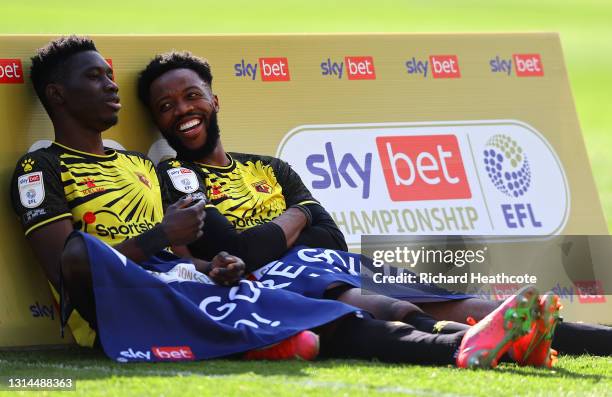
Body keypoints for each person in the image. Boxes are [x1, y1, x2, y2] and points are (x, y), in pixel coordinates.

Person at [10, 36, 553, 368]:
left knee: (333, 315)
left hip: (185, 286)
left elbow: (182, 257)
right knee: (86, 251)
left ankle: (474, 344)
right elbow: (70, 269)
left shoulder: (137, 165)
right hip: (125, 307)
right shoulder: (39, 168)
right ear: (58, 95)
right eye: (94, 78)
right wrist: (164, 238)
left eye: (111, 75)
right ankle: (471, 342)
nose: (110, 86)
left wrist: (211, 264)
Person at [140, 51, 610, 358]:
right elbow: (239, 247)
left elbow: (330, 233)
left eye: (191, 95)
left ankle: (576, 339)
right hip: (274, 279)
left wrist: (296, 225)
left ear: (214, 100)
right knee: (369, 299)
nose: (182, 109)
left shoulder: (270, 167)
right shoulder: (176, 178)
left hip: (327, 258)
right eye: (166, 106)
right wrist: (298, 216)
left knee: (462, 300)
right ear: (159, 122)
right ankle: (473, 343)